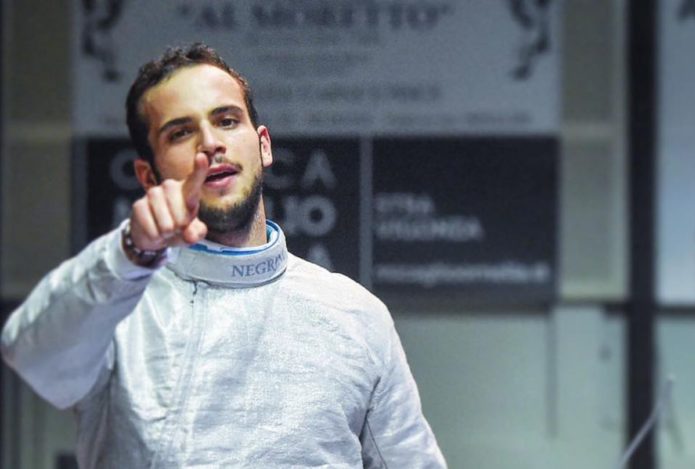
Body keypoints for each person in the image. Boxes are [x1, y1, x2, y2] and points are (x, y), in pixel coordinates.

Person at [1, 43, 446, 468]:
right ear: (149, 177)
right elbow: (32, 355)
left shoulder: (356, 316)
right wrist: (129, 253)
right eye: (181, 132)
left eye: (227, 120)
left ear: (263, 145)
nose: (210, 143)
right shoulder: (114, 307)